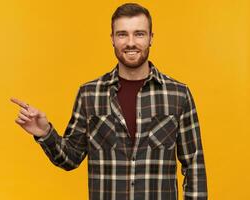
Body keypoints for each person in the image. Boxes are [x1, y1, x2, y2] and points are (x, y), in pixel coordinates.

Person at [11, 3, 208, 200]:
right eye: (122, 34)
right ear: (112, 39)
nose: (131, 42)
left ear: (151, 38)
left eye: (139, 34)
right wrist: (45, 133)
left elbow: (194, 165)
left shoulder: (178, 94)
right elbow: (70, 159)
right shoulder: (89, 95)